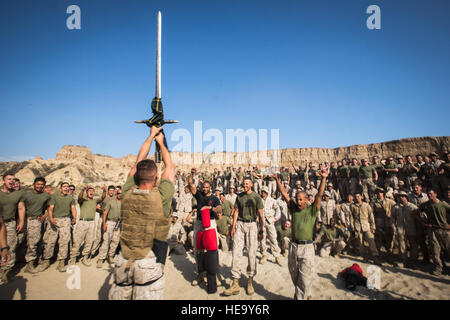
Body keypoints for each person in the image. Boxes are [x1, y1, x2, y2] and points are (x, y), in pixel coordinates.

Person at [108, 126, 175, 300]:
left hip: (124, 259)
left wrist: (151, 135)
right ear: (155, 178)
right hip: (148, 261)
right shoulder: (161, 197)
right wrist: (161, 142)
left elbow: (138, 161)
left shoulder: (127, 192)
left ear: (136, 177)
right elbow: (170, 167)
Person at [276, 167, 328, 300]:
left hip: (307, 248)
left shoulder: (311, 211)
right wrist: (277, 180)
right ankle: (307, 292)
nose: (298, 202)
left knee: (304, 278)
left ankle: (300, 296)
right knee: (294, 275)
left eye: (301, 200)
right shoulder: (293, 209)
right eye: (297, 199)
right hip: (294, 246)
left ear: (306, 200)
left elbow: (319, 195)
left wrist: (323, 178)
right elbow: (285, 194)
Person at [223, 178, 264, 296]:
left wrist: (261, 229)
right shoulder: (239, 196)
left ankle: (250, 280)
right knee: (236, 252)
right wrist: (233, 226)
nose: (244, 185)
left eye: (247, 184)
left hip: (252, 225)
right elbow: (236, 211)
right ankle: (235, 282)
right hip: (240, 224)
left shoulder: (256, 197)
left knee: (251, 253)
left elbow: (260, 214)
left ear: (251, 185)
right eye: (244, 184)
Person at [188, 173, 222, 294]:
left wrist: (209, 208)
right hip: (199, 224)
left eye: (207, 187)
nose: (205, 189)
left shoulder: (214, 198)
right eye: (204, 187)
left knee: (212, 251)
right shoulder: (199, 196)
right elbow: (191, 186)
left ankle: (214, 275)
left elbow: (219, 209)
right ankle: (200, 275)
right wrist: (191, 177)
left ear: (210, 188)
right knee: (198, 250)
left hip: (211, 225)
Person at [39, 182, 77, 272]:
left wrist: (74, 217)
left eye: (67, 187)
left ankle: (61, 262)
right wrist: (51, 218)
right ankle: (47, 260)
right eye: (64, 187)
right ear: (60, 188)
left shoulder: (70, 198)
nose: (66, 188)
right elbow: (50, 208)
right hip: (55, 219)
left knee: (64, 241)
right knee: (50, 241)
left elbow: (73, 208)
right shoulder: (55, 196)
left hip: (66, 220)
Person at [69, 185, 106, 266]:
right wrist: (82, 190)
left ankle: (85, 257)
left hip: (91, 223)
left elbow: (102, 198)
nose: (91, 192)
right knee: (78, 240)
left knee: (89, 241)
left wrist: (104, 191)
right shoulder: (83, 200)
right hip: (82, 222)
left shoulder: (95, 201)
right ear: (86, 193)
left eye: (92, 191)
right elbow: (79, 198)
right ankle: (73, 258)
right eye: (89, 191)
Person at [22, 177, 51, 273]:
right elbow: (20, 207)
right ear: (33, 184)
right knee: (21, 242)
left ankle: (30, 263)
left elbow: (49, 207)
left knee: (34, 242)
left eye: (42, 184)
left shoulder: (46, 196)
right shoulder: (26, 195)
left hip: (37, 221)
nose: (39, 186)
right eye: (38, 184)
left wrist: (45, 215)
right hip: (25, 220)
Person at [0, 172, 25, 283]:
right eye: (9, 179)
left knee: (10, 247)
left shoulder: (17, 194)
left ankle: (6, 271)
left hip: (10, 223)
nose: (11, 181)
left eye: (13, 179)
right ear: (3, 181)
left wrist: (21, 222)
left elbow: (21, 208)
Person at [418, 189, 450, 276]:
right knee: (435, 250)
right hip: (432, 229)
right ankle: (438, 268)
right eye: (428, 194)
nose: (429, 196)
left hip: (444, 229)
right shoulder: (425, 205)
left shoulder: (442, 204)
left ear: (435, 194)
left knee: (448, 248)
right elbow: (417, 212)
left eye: (431, 194)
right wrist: (423, 222)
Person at [351, 193, 381, 265]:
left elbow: (371, 216)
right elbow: (351, 217)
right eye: (356, 197)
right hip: (358, 226)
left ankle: (375, 257)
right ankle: (365, 256)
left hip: (366, 225)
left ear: (361, 197)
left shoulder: (366, 205)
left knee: (371, 241)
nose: (357, 198)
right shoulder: (353, 206)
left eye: (358, 196)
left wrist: (373, 226)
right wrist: (352, 226)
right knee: (360, 242)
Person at [392, 191, 419, 268]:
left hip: (411, 228)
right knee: (402, 246)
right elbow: (393, 218)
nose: (401, 198)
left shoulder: (413, 207)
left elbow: (417, 218)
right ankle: (404, 261)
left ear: (406, 197)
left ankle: (413, 261)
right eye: (399, 196)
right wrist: (394, 228)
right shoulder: (395, 207)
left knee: (413, 245)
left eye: (403, 196)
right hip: (400, 229)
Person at [96, 188, 122, 267]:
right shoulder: (111, 202)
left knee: (115, 241)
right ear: (116, 194)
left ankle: (110, 256)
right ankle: (101, 258)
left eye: (121, 193)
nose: (120, 195)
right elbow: (105, 213)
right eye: (118, 193)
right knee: (106, 240)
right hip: (110, 222)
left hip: (118, 223)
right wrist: (104, 224)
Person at [371, 188, 396, 265]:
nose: (379, 194)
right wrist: (373, 224)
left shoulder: (390, 201)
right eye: (378, 192)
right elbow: (372, 213)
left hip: (388, 223)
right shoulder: (374, 202)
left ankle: (390, 256)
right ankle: (378, 257)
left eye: (381, 192)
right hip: (379, 223)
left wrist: (392, 219)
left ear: (383, 193)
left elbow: (395, 209)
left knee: (389, 240)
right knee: (378, 240)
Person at [259, 186, 283, 266]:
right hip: (261, 222)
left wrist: (275, 218)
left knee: (273, 238)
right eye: (262, 191)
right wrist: (256, 217)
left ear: (267, 192)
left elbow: (278, 210)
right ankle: (264, 255)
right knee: (262, 239)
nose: (263, 193)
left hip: (270, 222)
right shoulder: (259, 200)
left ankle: (277, 256)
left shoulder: (272, 200)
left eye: (264, 192)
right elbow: (256, 210)